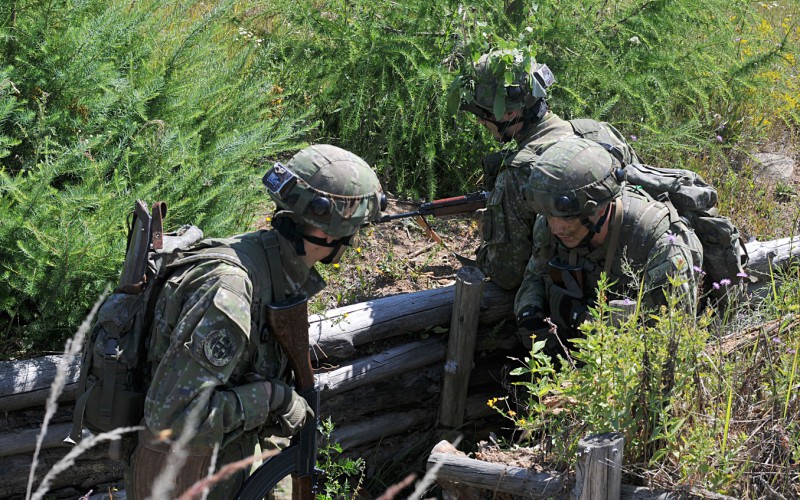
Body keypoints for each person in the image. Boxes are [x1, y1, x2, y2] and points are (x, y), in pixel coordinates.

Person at [125, 144, 387, 499]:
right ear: (328, 235)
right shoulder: (231, 291)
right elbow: (171, 418)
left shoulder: (273, 266)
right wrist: (273, 398)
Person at [449, 45, 640, 290]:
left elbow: (507, 274)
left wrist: (487, 232)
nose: (479, 120)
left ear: (509, 113)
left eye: (482, 113)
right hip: (637, 273)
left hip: (581, 293)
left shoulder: (517, 173)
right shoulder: (600, 131)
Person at [514, 137, 703, 354]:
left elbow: (671, 340)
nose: (556, 228)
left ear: (600, 208)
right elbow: (535, 276)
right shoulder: (550, 221)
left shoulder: (658, 243)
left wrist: (585, 322)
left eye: (567, 217)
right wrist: (529, 311)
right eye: (549, 215)